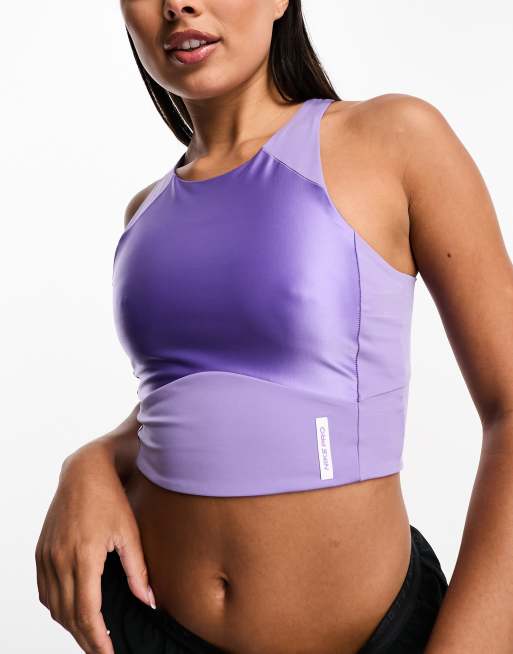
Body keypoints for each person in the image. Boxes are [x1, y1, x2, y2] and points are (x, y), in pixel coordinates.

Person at [35, 1, 513, 653]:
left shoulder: (394, 139)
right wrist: (91, 460)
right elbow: (200, 401)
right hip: (151, 630)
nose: (178, 5)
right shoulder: (143, 215)